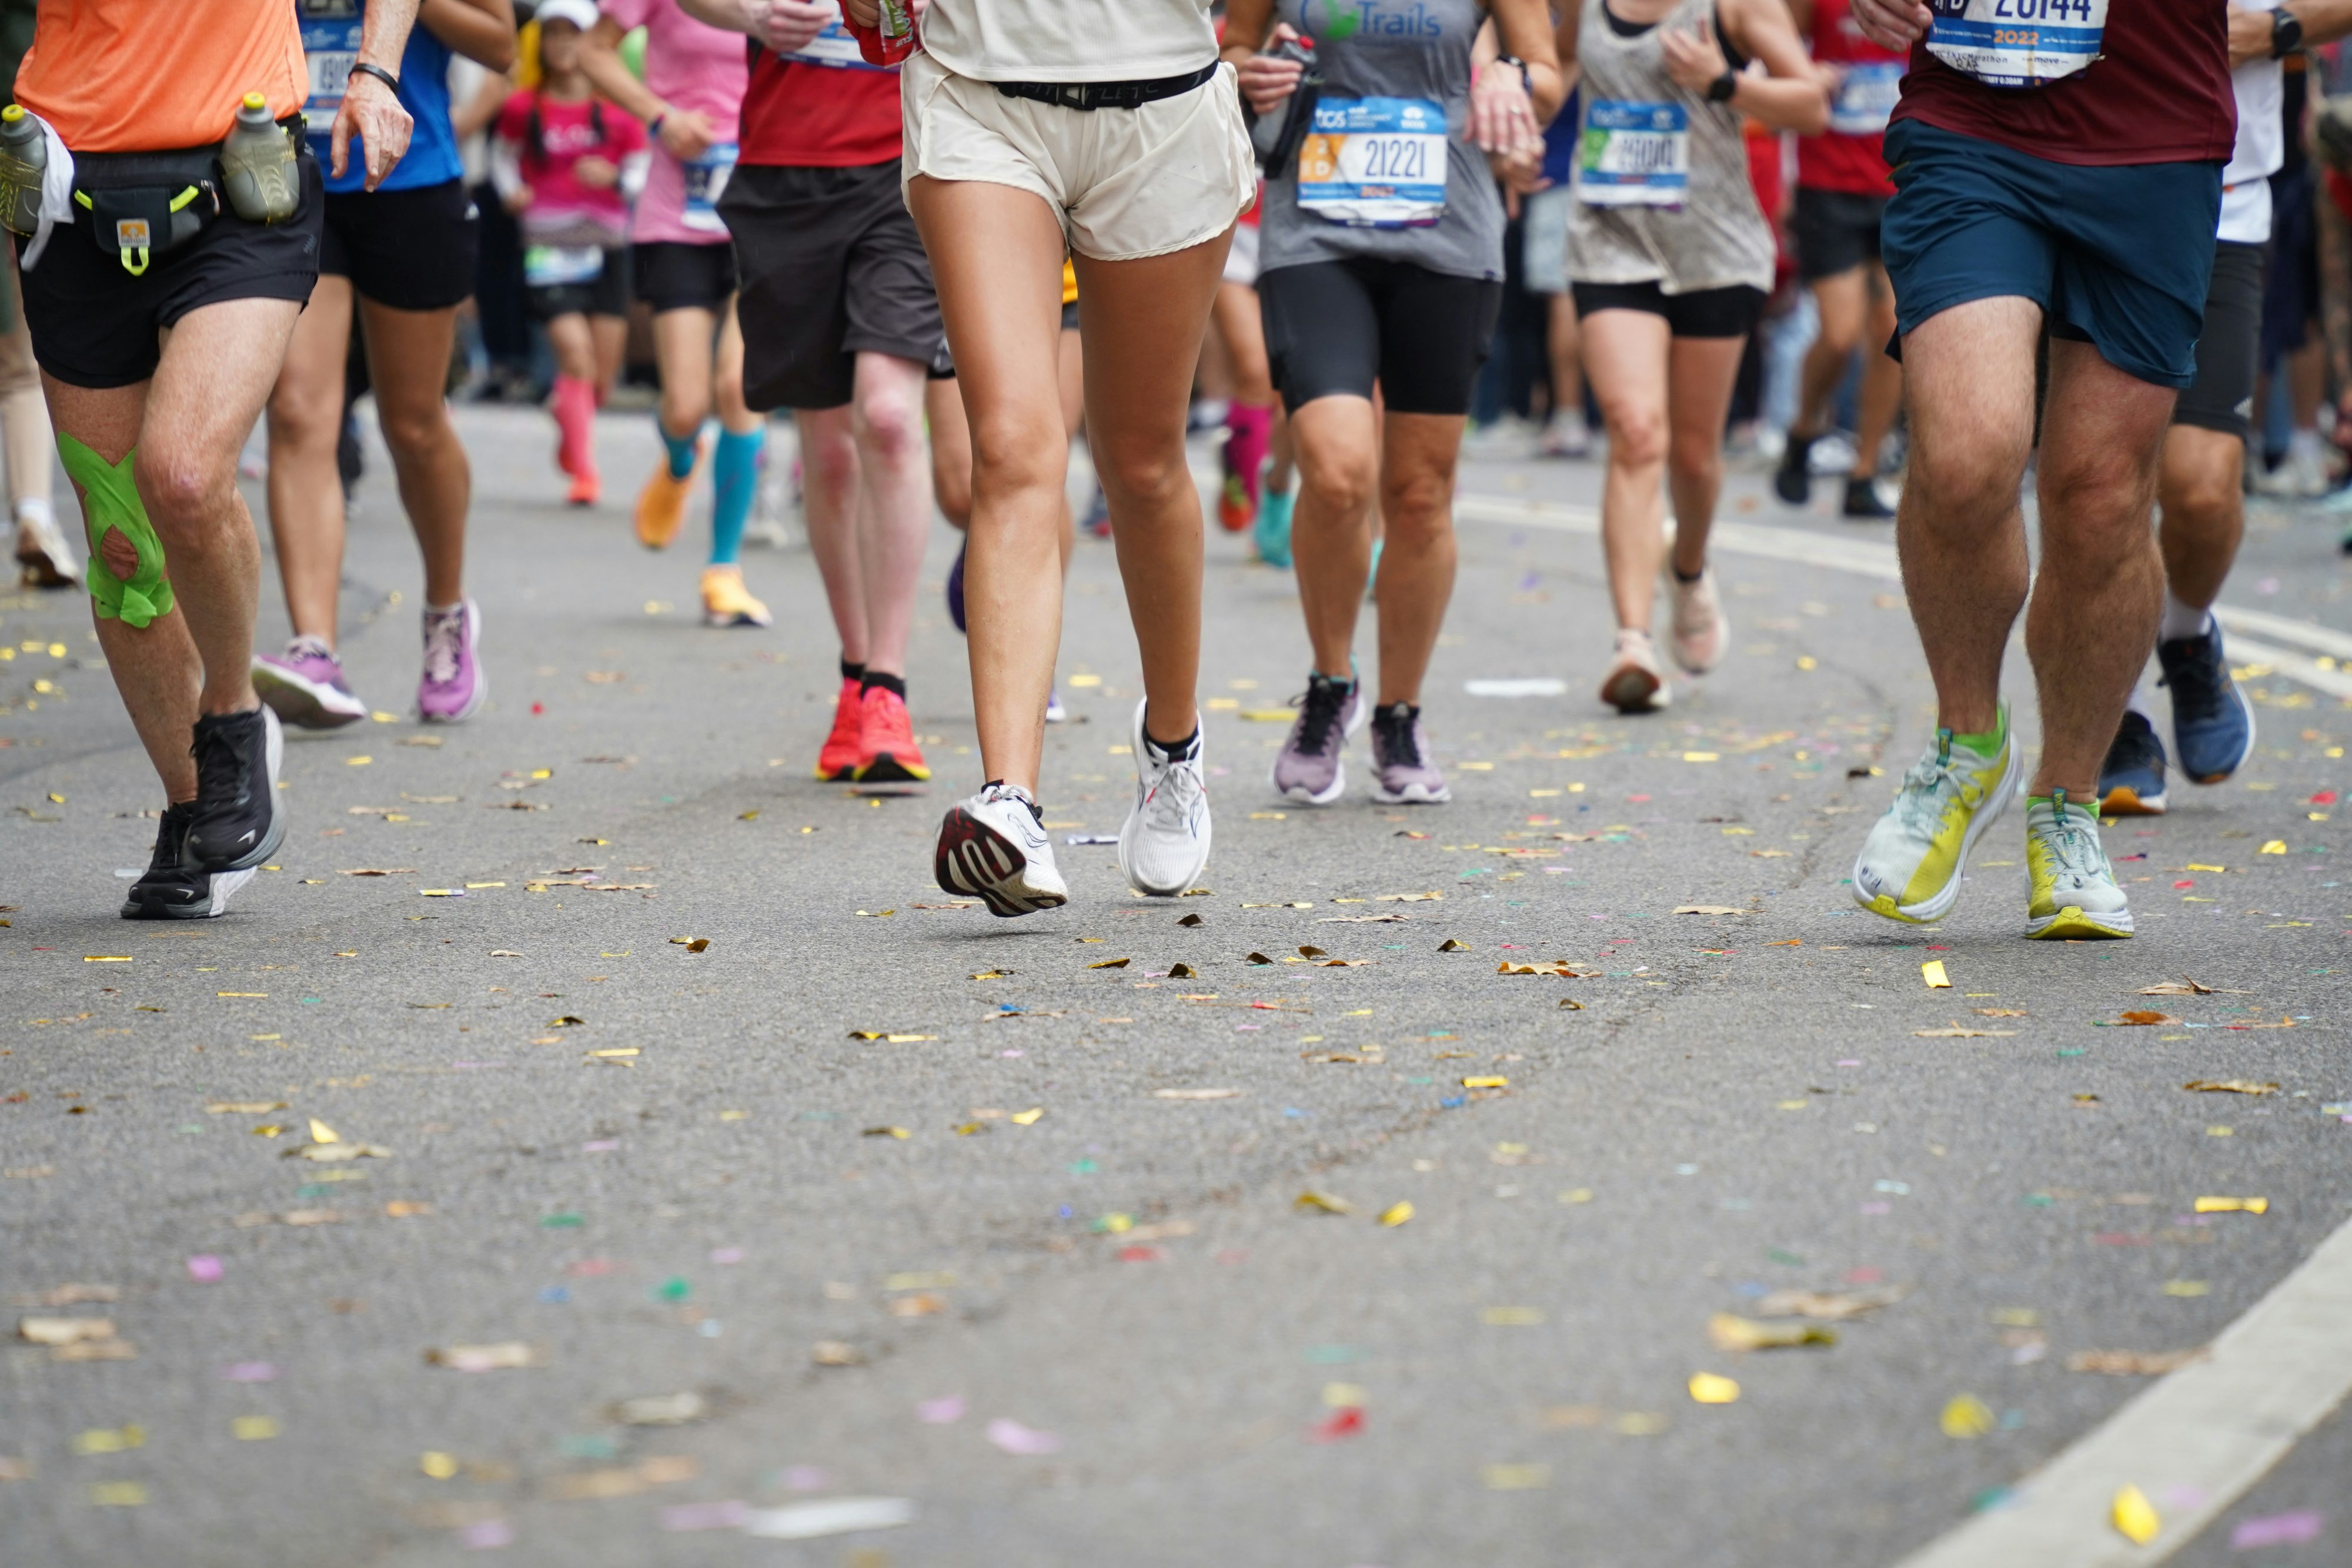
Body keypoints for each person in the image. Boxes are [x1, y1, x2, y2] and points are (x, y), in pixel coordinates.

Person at [13, 0, 416, 915]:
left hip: (241, 175)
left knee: (185, 475)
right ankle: (191, 805)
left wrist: (375, 71)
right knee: (122, 541)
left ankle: (231, 719)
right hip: (65, 189)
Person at [1845, 0, 2233, 941]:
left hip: (2154, 133)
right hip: (1973, 121)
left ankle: (2068, 800)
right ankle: (1967, 746)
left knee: (2100, 497)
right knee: (1969, 450)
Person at [862, 0, 1254, 915]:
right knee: (1012, 446)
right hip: (982, 94)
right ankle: (1011, 803)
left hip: (1163, 106)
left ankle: (1172, 747)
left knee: (1144, 464)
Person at [1228, 0, 1563, 808]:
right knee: (1339, 471)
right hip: (1315, 230)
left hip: (1447, 235)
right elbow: (1234, 45)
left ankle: (1398, 714)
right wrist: (1247, 69)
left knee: (1418, 492)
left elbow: (1547, 74)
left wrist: (1511, 81)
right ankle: (1329, 681)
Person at [2097, 0, 2352, 815]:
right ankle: (2113, 711)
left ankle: (2186, 633)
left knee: (2202, 487)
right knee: (2100, 477)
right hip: (2076, 188)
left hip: (2222, 199)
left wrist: (2275, 28)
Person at [685, 0, 950, 778]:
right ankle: (857, 673)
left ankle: (890, 691)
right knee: (830, 453)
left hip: (909, 162)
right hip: (784, 174)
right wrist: (752, 14)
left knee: (893, 418)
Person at [253, 0, 513, 734]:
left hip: (411, 177)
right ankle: (316, 648)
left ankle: (446, 616)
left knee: (414, 425)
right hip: (289, 179)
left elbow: (501, 47)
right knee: (301, 410)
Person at [1563, 0, 1829, 713]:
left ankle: (1686, 571)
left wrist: (1722, 81)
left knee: (1691, 455)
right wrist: (1516, 119)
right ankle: (1631, 641)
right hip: (1610, 240)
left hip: (1714, 249)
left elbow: (1810, 104)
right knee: (1634, 430)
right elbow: (1549, 68)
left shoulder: (1734, 7)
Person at [579, 0, 769, 628]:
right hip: (675, 215)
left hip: (765, 205)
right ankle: (682, 458)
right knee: (686, 406)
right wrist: (660, 118)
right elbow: (593, 52)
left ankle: (723, 571)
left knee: (740, 387)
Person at [493, 0, 646, 504]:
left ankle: (569, 414)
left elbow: (643, 174)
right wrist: (510, 189)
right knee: (575, 356)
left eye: (572, 34)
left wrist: (616, 178)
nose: (563, 45)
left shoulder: (621, 114)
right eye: (553, 35)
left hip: (607, 245)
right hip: (547, 245)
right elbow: (503, 159)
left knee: (599, 375)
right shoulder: (523, 107)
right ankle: (586, 472)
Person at [1769, 0, 1903, 520]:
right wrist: (1803, 75)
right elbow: (1771, 49)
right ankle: (1805, 428)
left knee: (1894, 329)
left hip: (1899, 183)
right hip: (1828, 186)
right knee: (1841, 333)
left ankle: (1864, 473)